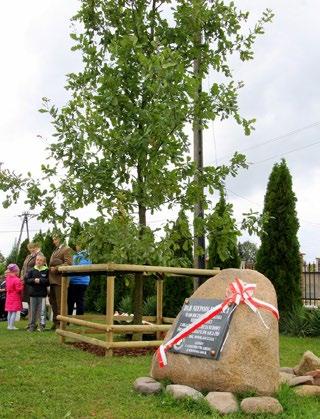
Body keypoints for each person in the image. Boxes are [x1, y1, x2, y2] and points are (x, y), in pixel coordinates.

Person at [49, 233, 72, 329]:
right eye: (53, 240)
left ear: (61, 239)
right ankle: (55, 321)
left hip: (60, 280)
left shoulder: (67, 249)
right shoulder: (55, 251)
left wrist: (57, 268)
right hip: (52, 280)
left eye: (55, 239)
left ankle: (62, 323)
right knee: (52, 301)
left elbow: (69, 263)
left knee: (60, 302)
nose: (54, 241)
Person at [25, 254, 49, 332]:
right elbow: (27, 280)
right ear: (35, 261)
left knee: (42, 311)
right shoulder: (31, 270)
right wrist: (34, 280)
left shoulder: (46, 270)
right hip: (33, 294)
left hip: (42, 295)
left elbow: (48, 281)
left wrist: (41, 280)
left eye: (41, 260)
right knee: (32, 311)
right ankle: (32, 326)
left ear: (44, 262)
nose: (38, 261)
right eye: (37, 260)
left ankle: (41, 326)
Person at [20, 242, 43, 320]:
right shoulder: (28, 256)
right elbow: (23, 267)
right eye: (29, 248)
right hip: (26, 281)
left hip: (32, 280)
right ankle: (31, 319)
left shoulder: (38, 255)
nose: (31, 249)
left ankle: (34, 320)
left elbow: (41, 262)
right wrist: (22, 277)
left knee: (33, 301)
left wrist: (39, 252)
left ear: (35, 248)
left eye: (32, 248)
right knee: (28, 301)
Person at [67, 244, 91, 316]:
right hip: (79, 282)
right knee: (76, 300)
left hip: (78, 282)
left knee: (75, 301)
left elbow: (79, 266)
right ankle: (74, 319)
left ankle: (73, 319)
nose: (76, 247)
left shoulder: (83, 256)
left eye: (78, 245)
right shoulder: (83, 256)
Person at [5, 264, 24, 330]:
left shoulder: (7, 278)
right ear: (15, 271)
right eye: (18, 271)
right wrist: (22, 285)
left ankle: (8, 325)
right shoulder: (17, 279)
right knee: (14, 312)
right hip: (15, 297)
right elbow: (18, 289)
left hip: (9, 297)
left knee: (9, 312)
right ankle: (11, 326)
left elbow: (7, 287)